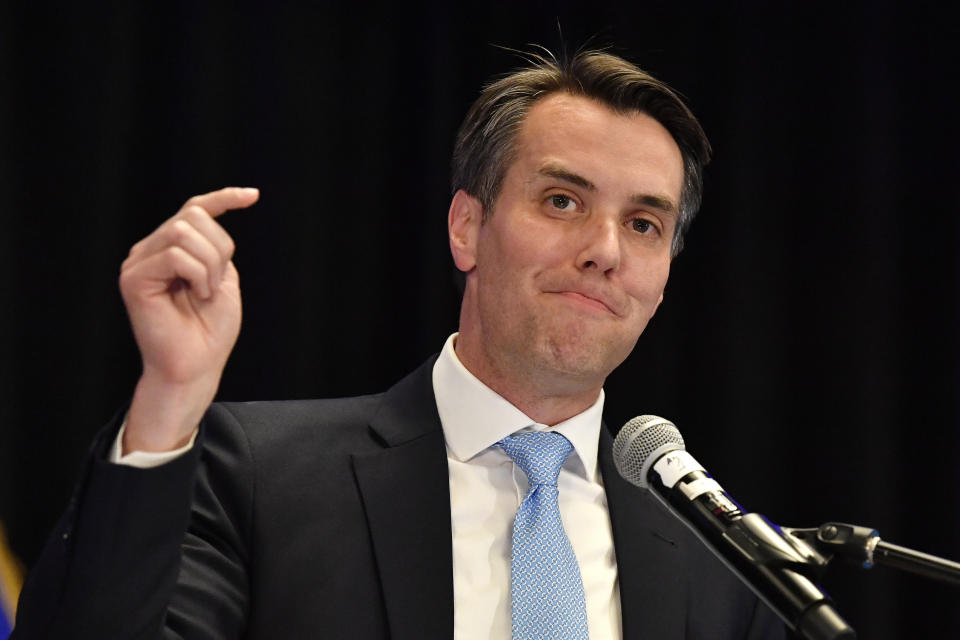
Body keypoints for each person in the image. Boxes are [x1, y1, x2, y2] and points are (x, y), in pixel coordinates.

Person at [12, 50, 785, 639]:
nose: (605, 250)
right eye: (562, 200)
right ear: (466, 227)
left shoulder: (723, 570)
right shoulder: (258, 477)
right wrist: (170, 401)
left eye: (644, 224)